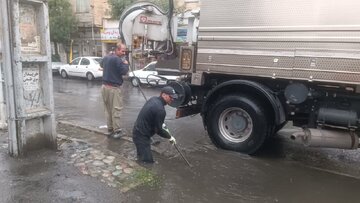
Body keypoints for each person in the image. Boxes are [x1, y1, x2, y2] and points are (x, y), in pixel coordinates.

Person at [132, 86, 178, 163]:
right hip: (141, 136)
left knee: (141, 156)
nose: (172, 99)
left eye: (173, 97)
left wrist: (162, 124)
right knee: (148, 162)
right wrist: (169, 137)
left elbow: (154, 119)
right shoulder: (160, 110)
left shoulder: (153, 99)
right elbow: (158, 130)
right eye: (171, 97)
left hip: (137, 131)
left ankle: (138, 163)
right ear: (163, 95)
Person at [100, 42, 129, 138]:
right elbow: (124, 71)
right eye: (122, 51)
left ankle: (110, 128)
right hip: (114, 88)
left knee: (108, 109)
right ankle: (117, 131)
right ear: (117, 50)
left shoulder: (107, 57)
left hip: (104, 87)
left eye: (125, 51)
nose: (124, 53)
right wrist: (126, 64)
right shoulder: (117, 59)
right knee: (116, 109)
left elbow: (101, 65)